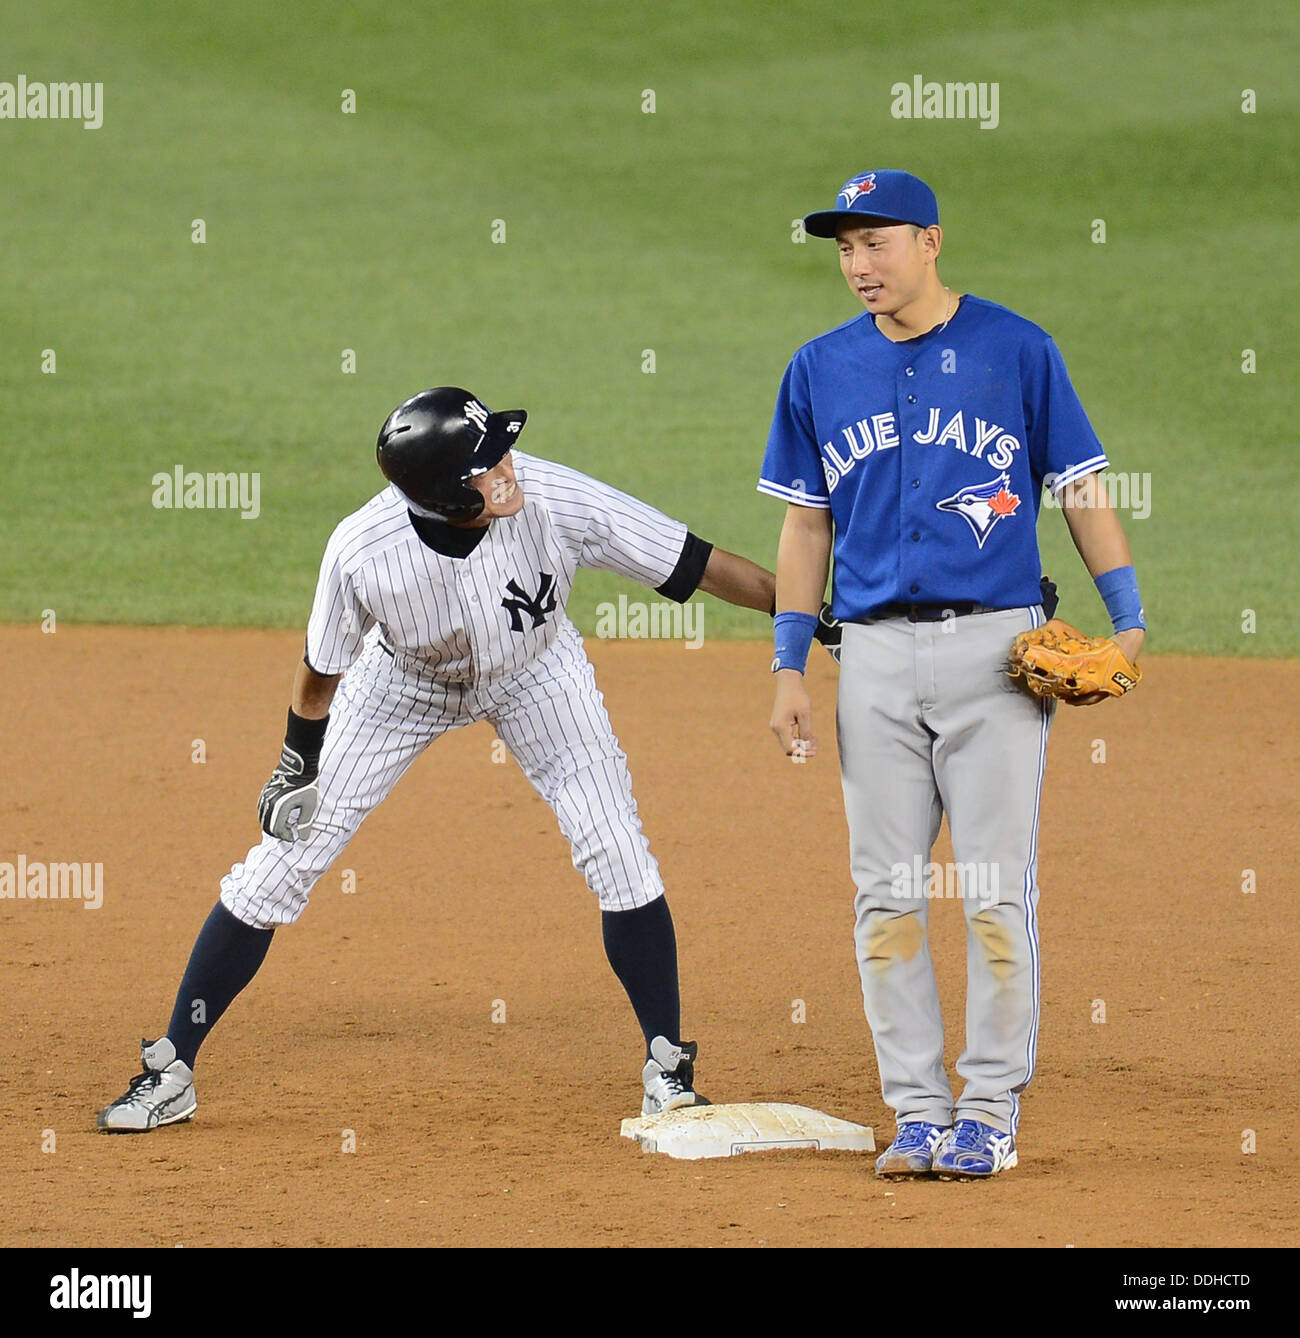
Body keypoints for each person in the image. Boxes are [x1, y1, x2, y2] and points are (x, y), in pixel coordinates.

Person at [99, 385, 822, 1132]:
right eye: (485, 466)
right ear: (448, 498)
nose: (508, 467)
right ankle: (173, 1068)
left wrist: (804, 614)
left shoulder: (553, 497)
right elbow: (321, 669)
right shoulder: (362, 551)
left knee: (616, 848)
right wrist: (297, 763)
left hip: (538, 673)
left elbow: (696, 563)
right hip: (400, 687)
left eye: (501, 448)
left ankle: (667, 1068)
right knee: (282, 862)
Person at [760, 171, 1145, 1179]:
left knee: (990, 891)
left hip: (997, 657)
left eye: (874, 244)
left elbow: (1079, 487)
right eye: (843, 250)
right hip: (872, 658)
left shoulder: (1018, 349)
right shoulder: (817, 369)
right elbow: (806, 525)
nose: (857, 266)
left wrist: (1131, 620)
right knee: (883, 893)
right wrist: (788, 662)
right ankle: (918, 1113)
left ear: (930, 242)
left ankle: (987, 1112)